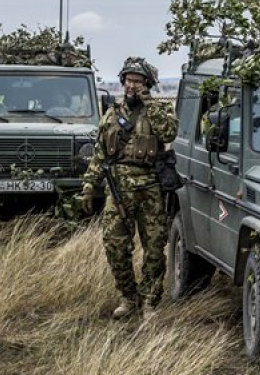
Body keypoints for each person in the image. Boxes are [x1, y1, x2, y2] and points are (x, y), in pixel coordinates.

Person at [81, 56, 178, 320]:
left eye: (138, 81)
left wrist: (150, 103)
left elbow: (168, 133)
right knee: (114, 245)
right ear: (122, 82)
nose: (132, 86)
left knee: (155, 248)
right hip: (119, 188)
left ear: (147, 84)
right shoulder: (111, 115)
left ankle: (149, 302)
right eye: (129, 81)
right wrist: (89, 185)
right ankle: (128, 297)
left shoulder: (159, 111)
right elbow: (100, 153)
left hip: (150, 188)